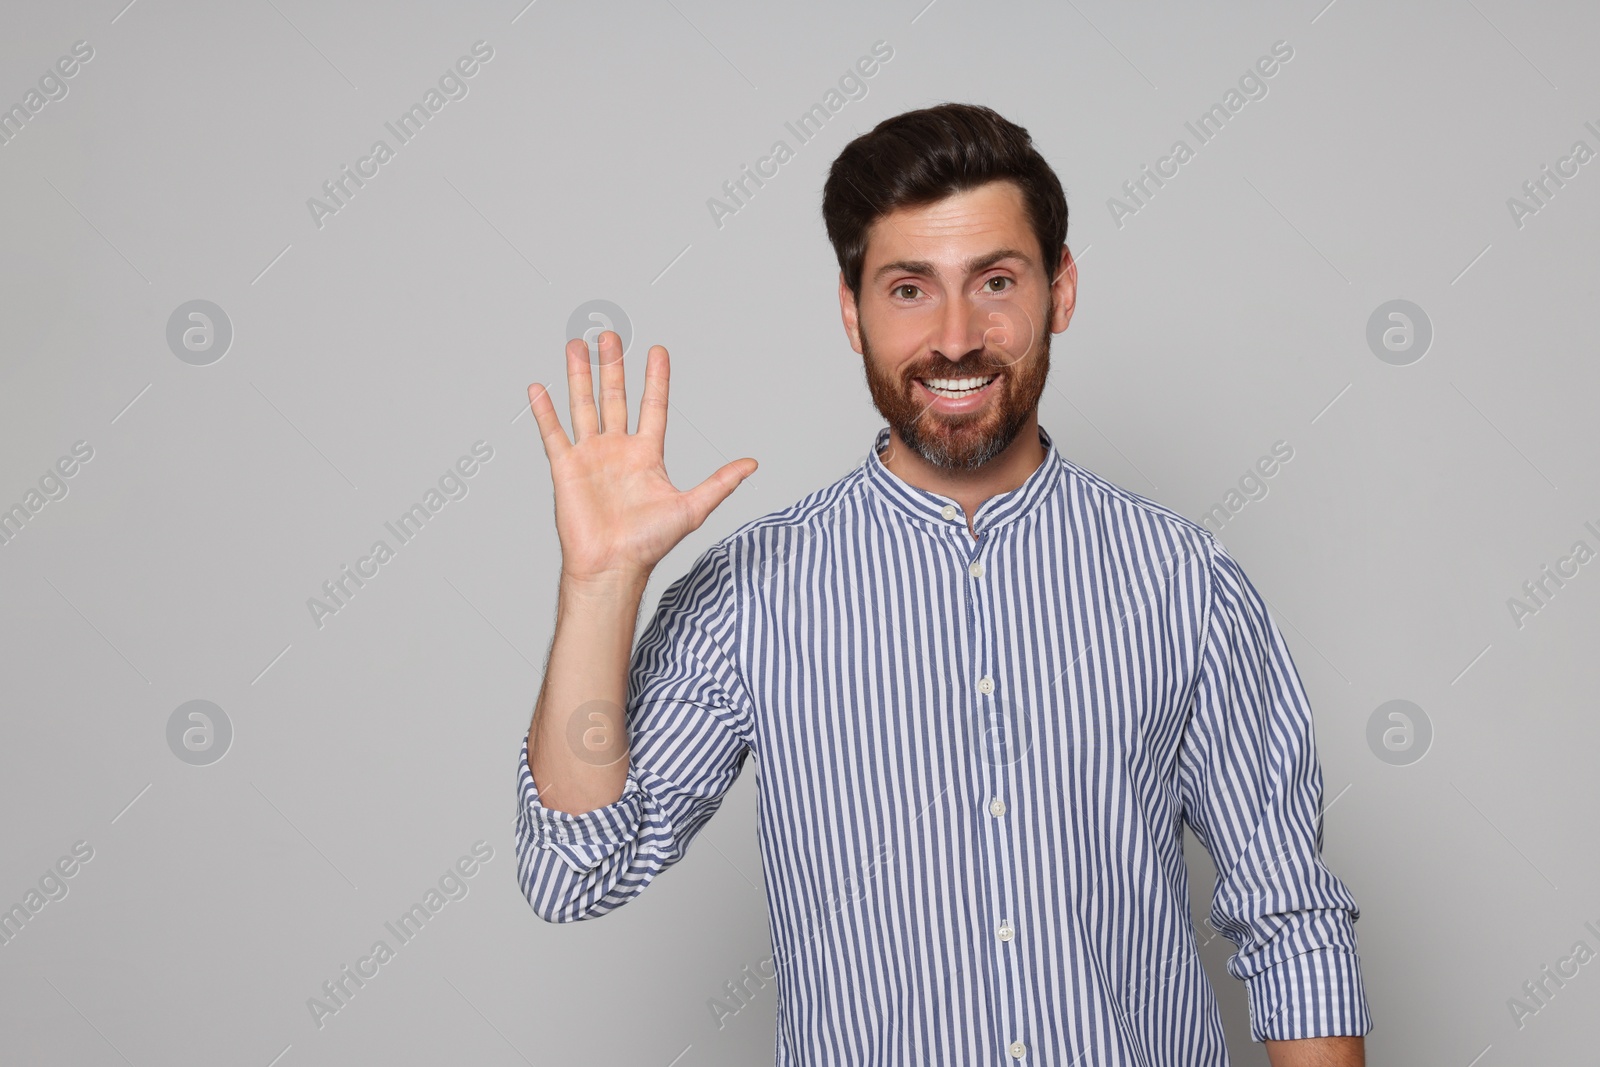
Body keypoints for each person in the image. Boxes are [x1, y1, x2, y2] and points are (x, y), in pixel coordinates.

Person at [516, 102, 1371, 1066]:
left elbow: (1290, 916)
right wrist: (598, 584)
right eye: (911, 289)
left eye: (995, 281)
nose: (957, 336)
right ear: (852, 311)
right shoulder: (752, 595)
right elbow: (571, 867)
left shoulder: (1184, 583)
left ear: (1062, 290)